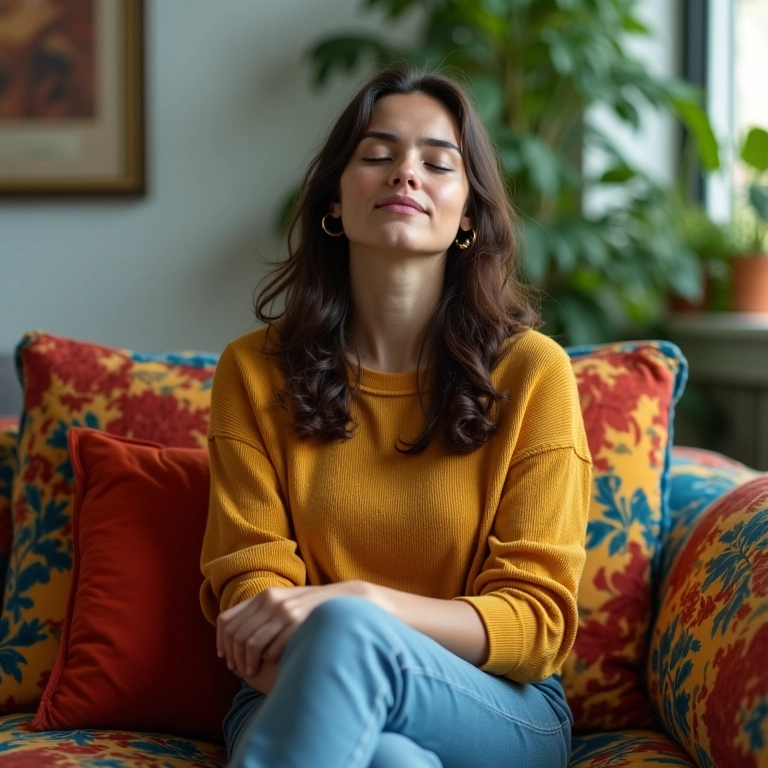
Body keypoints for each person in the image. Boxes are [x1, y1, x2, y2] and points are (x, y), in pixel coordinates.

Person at [199, 64, 592, 768]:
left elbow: (536, 626)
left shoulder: (534, 373)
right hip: (287, 688)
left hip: (497, 704)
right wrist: (343, 637)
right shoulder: (253, 371)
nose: (406, 173)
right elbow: (251, 603)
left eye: (437, 164)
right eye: (378, 155)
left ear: (468, 214)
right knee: (392, 761)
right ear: (334, 200)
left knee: (350, 632)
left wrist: (359, 607)